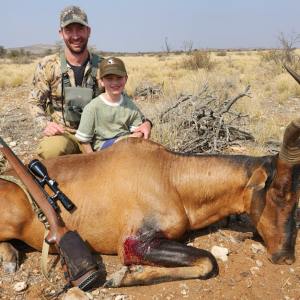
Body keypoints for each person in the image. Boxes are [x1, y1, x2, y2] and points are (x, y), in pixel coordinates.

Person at [28, 6, 152, 159]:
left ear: (89, 32)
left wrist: (146, 122)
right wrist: (45, 124)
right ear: (61, 34)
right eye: (69, 30)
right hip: (64, 135)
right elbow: (34, 102)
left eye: (80, 29)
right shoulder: (47, 65)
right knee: (51, 150)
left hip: (100, 136)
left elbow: (122, 99)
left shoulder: (103, 66)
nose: (75, 36)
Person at [75, 57, 143, 152]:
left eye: (119, 78)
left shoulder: (130, 104)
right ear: (101, 81)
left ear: (126, 79)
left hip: (127, 145)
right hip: (103, 148)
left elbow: (138, 131)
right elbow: (84, 140)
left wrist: (133, 137)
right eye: (109, 79)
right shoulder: (92, 107)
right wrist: (93, 159)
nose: (115, 82)